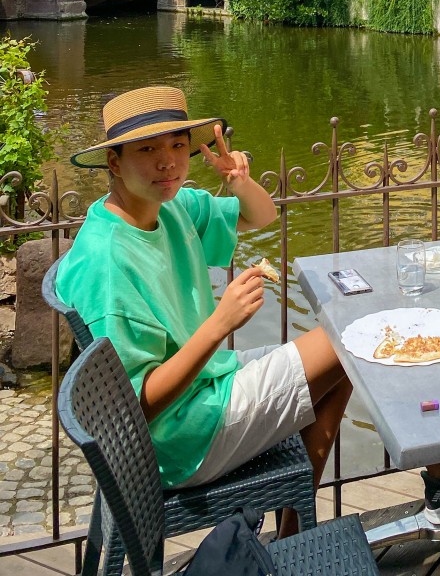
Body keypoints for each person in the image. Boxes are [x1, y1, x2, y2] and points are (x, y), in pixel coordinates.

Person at [57, 86, 351, 538]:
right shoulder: (107, 262)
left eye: (178, 146)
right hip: (177, 439)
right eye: (148, 149)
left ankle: (292, 536)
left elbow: (262, 215)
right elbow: (136, 409)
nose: (168, 162)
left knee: (342, 361)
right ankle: (295, 537)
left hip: (207, 388)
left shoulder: (165, 207)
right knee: (346, 338)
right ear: (114, 163)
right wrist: (218, 325)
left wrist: (239, 182)